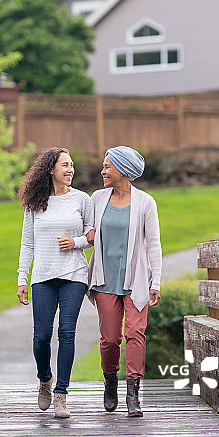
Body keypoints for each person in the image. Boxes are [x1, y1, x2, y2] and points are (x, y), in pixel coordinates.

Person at [17, 148, 95, 419]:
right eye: (65, 165)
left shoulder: (82, 200)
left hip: (74, 274)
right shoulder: (35, 203)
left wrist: (76, 242)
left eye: (72, 165)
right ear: (51, 169)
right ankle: (44, 380)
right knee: (41, 337)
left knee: (67, 333)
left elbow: (93, 236)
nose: (70, 169)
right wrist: (21, 278)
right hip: (43, 277)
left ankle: (61, 395)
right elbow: (28, 243)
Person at [88, 146, 162, 417]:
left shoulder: (145, 202)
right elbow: (86, 232)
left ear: (122, 170)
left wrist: (156, 281)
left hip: (137, 282)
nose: (103, 171)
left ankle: (133, 394)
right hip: (105, 280)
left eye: (107, 166)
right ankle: (110, 381)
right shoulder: (97, 199)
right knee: (109, 339)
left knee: (135, 333)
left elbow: (154, 245)